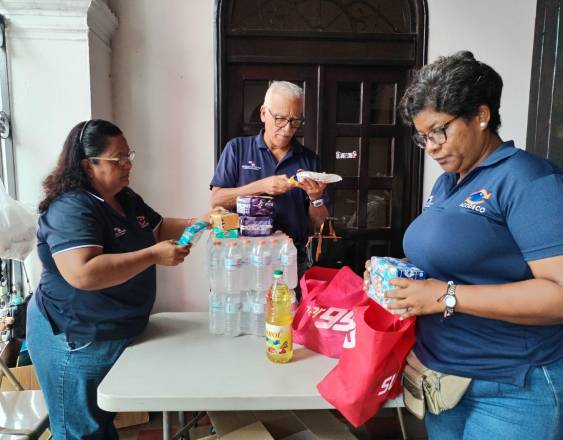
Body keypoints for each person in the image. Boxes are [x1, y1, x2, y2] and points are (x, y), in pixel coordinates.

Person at [364, 51, 563, 439]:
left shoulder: (528, 181)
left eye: (439, 130)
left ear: (481, 116)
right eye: (423, 137)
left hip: (511, 389)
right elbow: (457, 262)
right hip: (444, 380)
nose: (431, 146)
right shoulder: (448, 183)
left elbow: (558, 294)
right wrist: (398, 272)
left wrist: (445, 297)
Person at [26, 119, 215, 439]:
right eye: (118, 159)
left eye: (129, 155)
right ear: (88, 165)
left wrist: (202, 221)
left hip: (114, 330)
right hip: (76, 336)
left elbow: (157, 228)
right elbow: (83, 273)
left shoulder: (123, 197)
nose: (128, 164)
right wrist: (153, 255)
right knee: (80, 431)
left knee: (99, 423)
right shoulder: (71, 208)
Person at [210, 81, 329, 274]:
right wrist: (261, 186)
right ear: (264, 113)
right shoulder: (237, 149)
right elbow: (217, 200)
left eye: (295, 121)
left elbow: (319, 226)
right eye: (280, 119)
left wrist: (316, 199)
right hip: (243, 256)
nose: (288, 129)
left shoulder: (309, 160)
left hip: (292, 259)